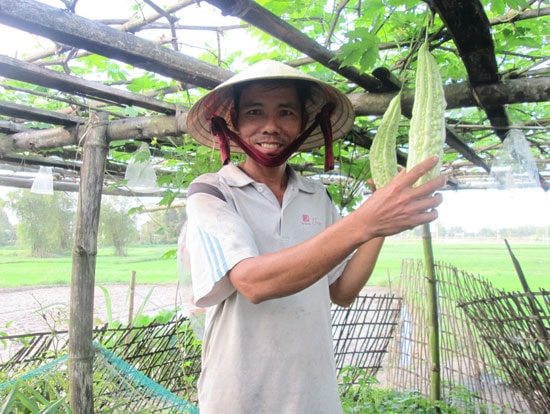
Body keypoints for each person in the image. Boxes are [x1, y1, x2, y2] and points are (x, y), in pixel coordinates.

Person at [183, 60, 445, 413]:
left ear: (305, 123)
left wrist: (378, 225)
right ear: (233, 122)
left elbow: (343, 290)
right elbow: (251, 282)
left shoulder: (315, 197)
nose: (271, 126)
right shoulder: (212, 192)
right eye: (255, 111)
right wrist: (366, 221)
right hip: (241, 399)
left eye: (286, 112)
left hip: (314, 398)